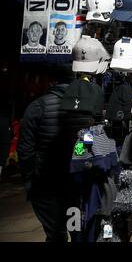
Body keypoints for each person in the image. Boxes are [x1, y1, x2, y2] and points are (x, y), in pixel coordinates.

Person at [17, 65, 90, 242]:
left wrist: (29, 180)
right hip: (75, 183)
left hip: (46, 185)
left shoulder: (37, 106)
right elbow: (89, 143)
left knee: (55, 233)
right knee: (76, 230)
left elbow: (25, 149)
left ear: (53, 81)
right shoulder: (85, 107)